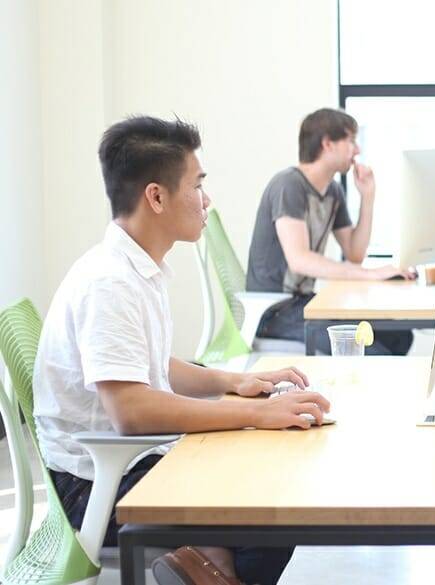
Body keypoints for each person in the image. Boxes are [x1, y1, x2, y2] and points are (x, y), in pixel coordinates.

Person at [35, 116, 332, 585]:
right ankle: (211, 566)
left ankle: (210, 566)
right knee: (273, 506)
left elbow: (150, 367)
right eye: (197, 185)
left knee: (272, 478)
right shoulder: (109, 282)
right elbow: (131, 410)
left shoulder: (135, 269)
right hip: (96, 484)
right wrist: (254, 415)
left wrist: (233, 383)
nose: (206, 199)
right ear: (156, 196)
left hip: (128, 461)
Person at [247, 108, 414, 356]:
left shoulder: (333, 191)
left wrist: (368, 198)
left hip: (303, 303)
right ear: (327, 144)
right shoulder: (288, 185)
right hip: (274, 312)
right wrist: (370, 274)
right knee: (376, 354)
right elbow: (300, 259)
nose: (356, 150)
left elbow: (354, 252)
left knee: (400, 336)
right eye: (350, 141)